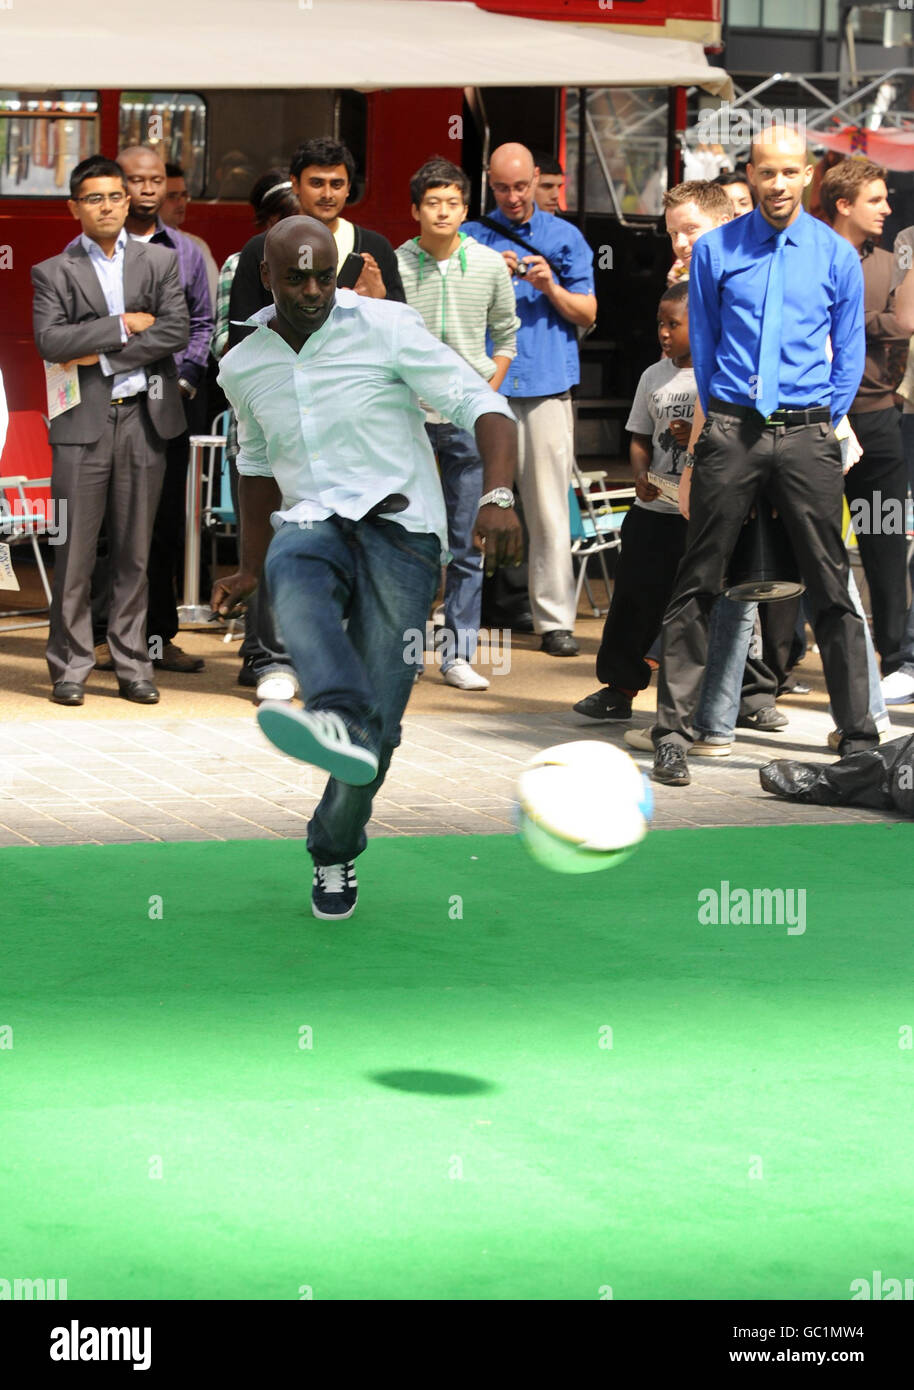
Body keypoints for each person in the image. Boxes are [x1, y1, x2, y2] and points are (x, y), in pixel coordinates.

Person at [212, 216, 521, 921]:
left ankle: (334, 846)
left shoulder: (385, 326)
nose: (314, 290)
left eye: (325, 274)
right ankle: (333, 707)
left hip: (400, 531)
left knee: (375, 739)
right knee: (296, 556)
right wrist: (247, 565)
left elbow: (483, 404)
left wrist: (498, 494)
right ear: (267, 276)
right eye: (296, 278)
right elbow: (257, 466)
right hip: (313, 527)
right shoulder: (243, 361)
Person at [651, 126, 877, 786]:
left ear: (807, 176)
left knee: (832, 586)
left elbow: (849, 350)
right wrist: (721, 427)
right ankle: (672, 732)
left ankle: (859, 735)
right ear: (749, 174)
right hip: (734, 431)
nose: (777, 184)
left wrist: (823, 419)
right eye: (766, 172)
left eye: (789, 172)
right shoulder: (717, 251)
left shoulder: (834, 255)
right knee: (697, 580)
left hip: (808, 432)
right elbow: (709, 347)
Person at [31, 154, 189, 706]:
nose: (107, 206)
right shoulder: (52, 271)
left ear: (129, 201)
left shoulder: (160, 261)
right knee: (71, 550)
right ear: (75, 207)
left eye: (115, 196)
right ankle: (70, 667)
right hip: (80, 426)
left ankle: (132, 664)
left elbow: (173, 330)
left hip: (145, 419)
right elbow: (51, 342)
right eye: (93, 198)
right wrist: (123, 325)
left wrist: (102, 353)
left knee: (134, 554)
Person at [464, 142, 596, 656]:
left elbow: (587, 313)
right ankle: (464, 612)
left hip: (544, 386)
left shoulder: (566, 238)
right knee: (472, 505)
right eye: (502, 187)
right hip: (484, 388)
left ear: (537, 179)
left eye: (521, 186)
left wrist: (549, 284)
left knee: (547, 510)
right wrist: (487, 274)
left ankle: (555, 621)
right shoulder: (471, 238)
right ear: (489, 184)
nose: (514, 197)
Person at [396, 156, 519, 690]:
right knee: (409, 537)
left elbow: (507, 337)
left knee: (469, 540)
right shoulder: (396, 264)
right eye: (432, 203)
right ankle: (403, 648)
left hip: (469, 419)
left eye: (452, 203)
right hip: (411, 419)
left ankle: (457, 655)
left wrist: (485, 394)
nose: (442, 212)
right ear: (415, 210)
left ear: (466, 209)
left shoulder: (490, 264)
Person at [92, 144, 214, 676]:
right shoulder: (95, 251)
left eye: (155, 180)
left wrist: (186, 379)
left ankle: (159, 639)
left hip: (167, 403)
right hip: (103, 402)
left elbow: (204, 323)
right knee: (104, 528)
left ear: (166, 186)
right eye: (135, 180)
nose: (146, 189)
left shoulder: (186, 251)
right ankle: (101, 637)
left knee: (164, 525)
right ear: (120, 185)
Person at [821, 159, 914, 677]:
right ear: (843, 204)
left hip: (878, 420)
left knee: (884, 543)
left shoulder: (892, 260)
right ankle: (783, 659)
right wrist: (884, 322)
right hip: (816, 420)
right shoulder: (810, 254)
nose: (887, 208)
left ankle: (896, 657)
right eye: (876, 199)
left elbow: (909, 322)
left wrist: (875, 323)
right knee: (807, 542)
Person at [213, 170, 301, 703]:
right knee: (265, 538)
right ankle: (263, 654)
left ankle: (306, 653)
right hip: (261, 428)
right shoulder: (241, 262)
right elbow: (226, 342)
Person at [226, 136, 405, 356]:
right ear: (295, 183)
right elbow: (242, 334)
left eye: (337, 184)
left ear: (349, 187)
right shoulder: (260, 248)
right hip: (282, 381)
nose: (327, 194)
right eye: (317, 183)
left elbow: (401, 336)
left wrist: (380, 301)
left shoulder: (376, 247)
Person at [160, 162, 220, 310]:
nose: (180, 203)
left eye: (184, 195)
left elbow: (210, 303)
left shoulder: (196, 246)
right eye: (172, 196)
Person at [663, 179, 732, 286]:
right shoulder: (678, 278)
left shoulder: (748, 279)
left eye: (691, 228)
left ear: (723, 225)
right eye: (674, 233)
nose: (679, 244)